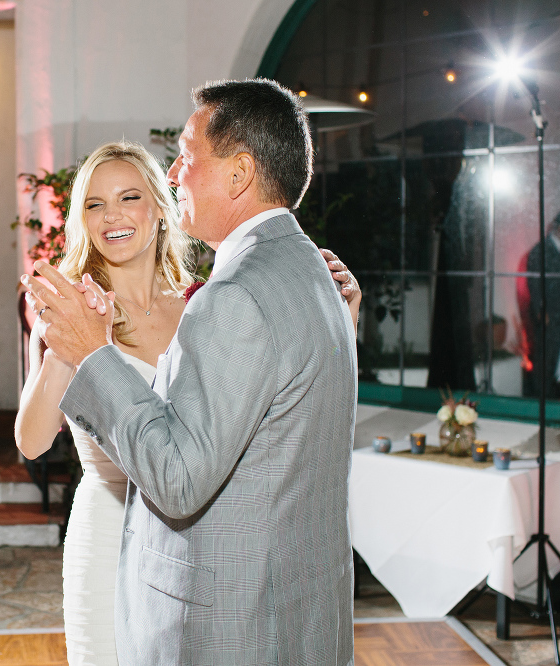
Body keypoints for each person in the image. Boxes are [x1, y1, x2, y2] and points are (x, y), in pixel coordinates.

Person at [22, 79, 358, 665]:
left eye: (186, 153)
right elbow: (32, 439)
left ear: (237, 175)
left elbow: (186, 474)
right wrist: (66, 349)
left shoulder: (219, 299)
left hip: (222, 586)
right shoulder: (301, 269)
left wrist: (96, 357)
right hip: (142, 544)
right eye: (94, 204)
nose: (177, 171)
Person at [525, 209, 560, 398]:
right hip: (548, 316)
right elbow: (534, 285)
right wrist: (541, 311)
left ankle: (557, 397)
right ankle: (542, 400)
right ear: (559, 229)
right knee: (546, 359)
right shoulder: (540, 251)